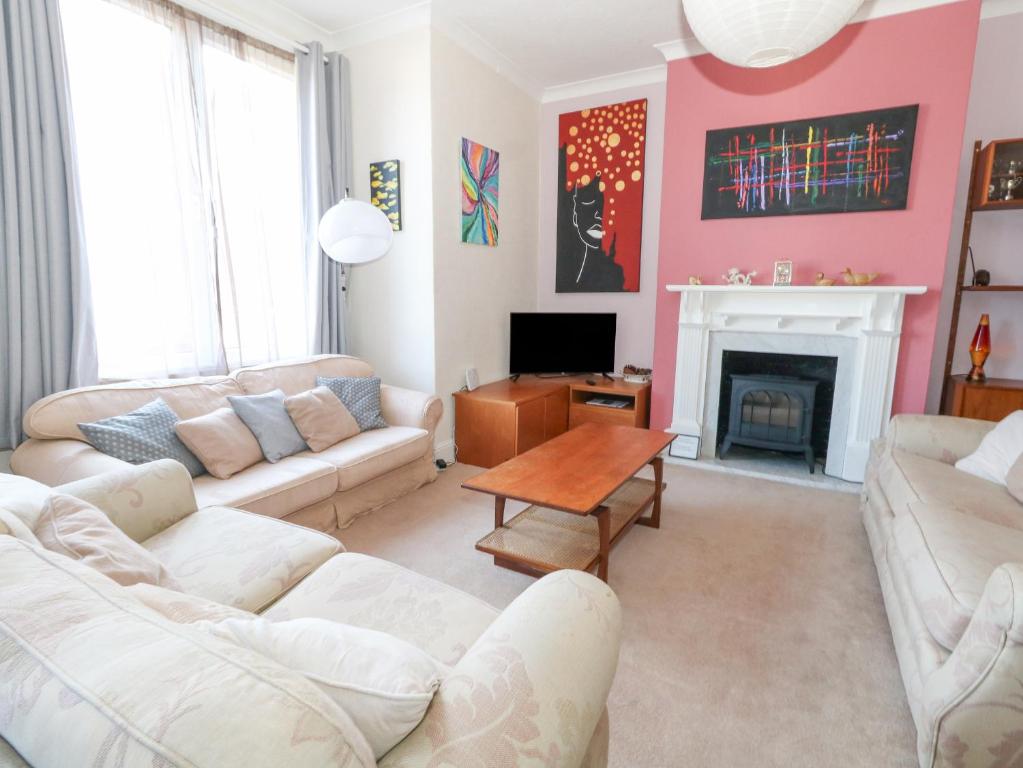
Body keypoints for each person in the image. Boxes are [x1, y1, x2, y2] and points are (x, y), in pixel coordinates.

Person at [555, 147, 624, 292]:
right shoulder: (566, 271)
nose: (599, 215)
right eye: (589, 202)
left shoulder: (615, 276)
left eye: (605, 205)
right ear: (574, 213)